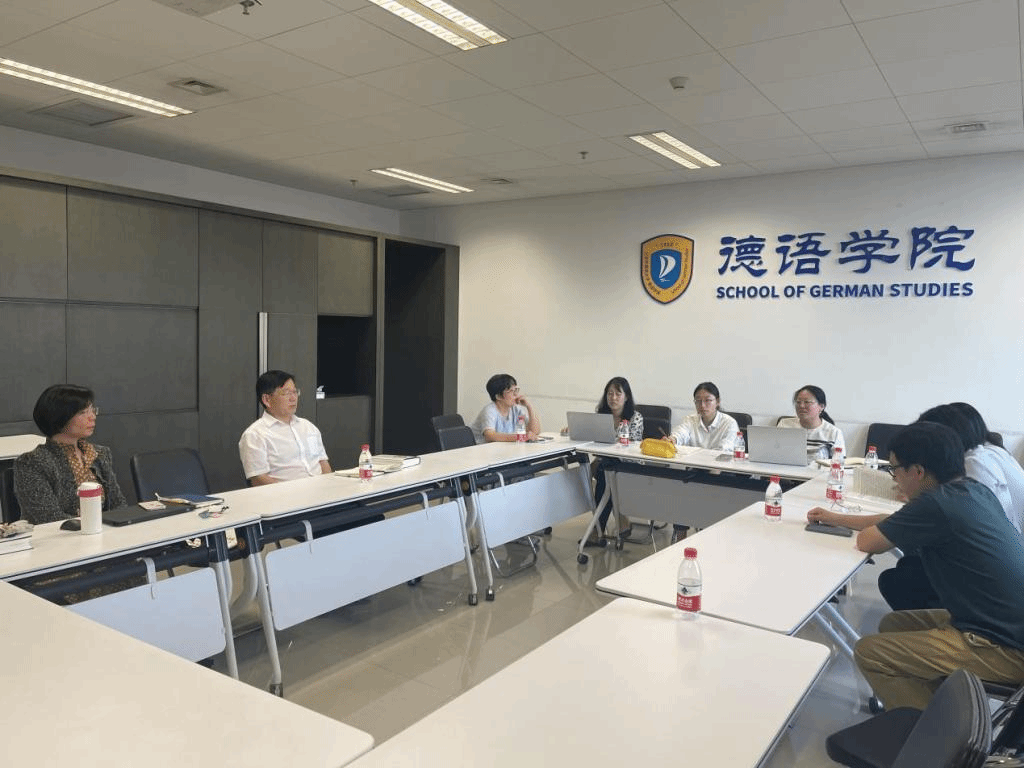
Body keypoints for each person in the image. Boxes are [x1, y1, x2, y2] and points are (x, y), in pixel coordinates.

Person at [807, 422, 1024, 710]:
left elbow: (869, 541)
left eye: (895, 469)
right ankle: (933, 703)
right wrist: (836, 518)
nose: (894, 479)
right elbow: (893, 521)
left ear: (918, 472)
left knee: (870, 653)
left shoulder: (936, 504)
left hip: (1005, 648)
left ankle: (941, 732)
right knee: (893, 624)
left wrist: (910, 503)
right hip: (1001, 625)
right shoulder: (971, 490)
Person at [876, 402, 1024, 611]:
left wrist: (919, 499)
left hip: (996, 572)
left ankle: (940, 624)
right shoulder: (992, 452)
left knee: (905, 573)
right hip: (1006, 560)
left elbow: (957, 513)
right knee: (912, 559)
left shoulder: (975, 464)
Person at [14, 384, 126, 523]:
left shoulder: (100, 453)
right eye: (83, 412)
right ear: (60, 416)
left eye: (93, 410)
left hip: (103, 531)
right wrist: (94, 524)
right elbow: (48, 518)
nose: (92, 417)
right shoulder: (32, 462)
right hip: (58, 535)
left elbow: (118, 505)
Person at [663, 382, 739, 544]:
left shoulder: (729, 423)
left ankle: (708, 536)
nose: (702, 405)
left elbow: (724, 450)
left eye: (707, 400)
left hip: (723, 471)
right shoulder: (690, 420)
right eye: (698, 401)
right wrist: (672, 440)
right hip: (697, 469)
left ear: (717, 401)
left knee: (709, 492)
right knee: (681, 489)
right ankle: (680, 536)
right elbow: (681, 433)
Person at [239, 370, 331, 485]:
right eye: (286, 393)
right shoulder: (255, 434)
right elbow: (258, 479)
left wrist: (328, 486)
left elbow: (323, 462)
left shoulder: (308, 426)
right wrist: (291, 492)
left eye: (295, 392)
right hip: (285, 494)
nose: (293, 398)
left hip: (321, 491)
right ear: (267, 400)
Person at [584, 377, 643, 547]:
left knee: (604, 473)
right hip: (607, 463)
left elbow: (632, 445)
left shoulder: (635, 417)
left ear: (626, 397)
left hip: (629, 464)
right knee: (605, 471)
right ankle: (621, 519)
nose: (613, 398)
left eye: (618, 394)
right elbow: (592, 438)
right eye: (610, 394)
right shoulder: (601, 416)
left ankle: (598, 530)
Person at [469, 373, 541, 444]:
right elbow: (490, 436)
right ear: (499, 396)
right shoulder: (489, 411)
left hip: (502, 448)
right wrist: (520, 437)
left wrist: (529, 406)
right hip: (479, 449)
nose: (516, 394)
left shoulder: (516, 409)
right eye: (511, 391)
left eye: (516, 390)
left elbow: (534, 432)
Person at [778, 384, 844, 460]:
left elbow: (839, 463)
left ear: (821, 406)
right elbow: (775, 453)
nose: (801, 406)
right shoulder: (784, 425)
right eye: (798, 402)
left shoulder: (834, 433)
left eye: (807, 402)